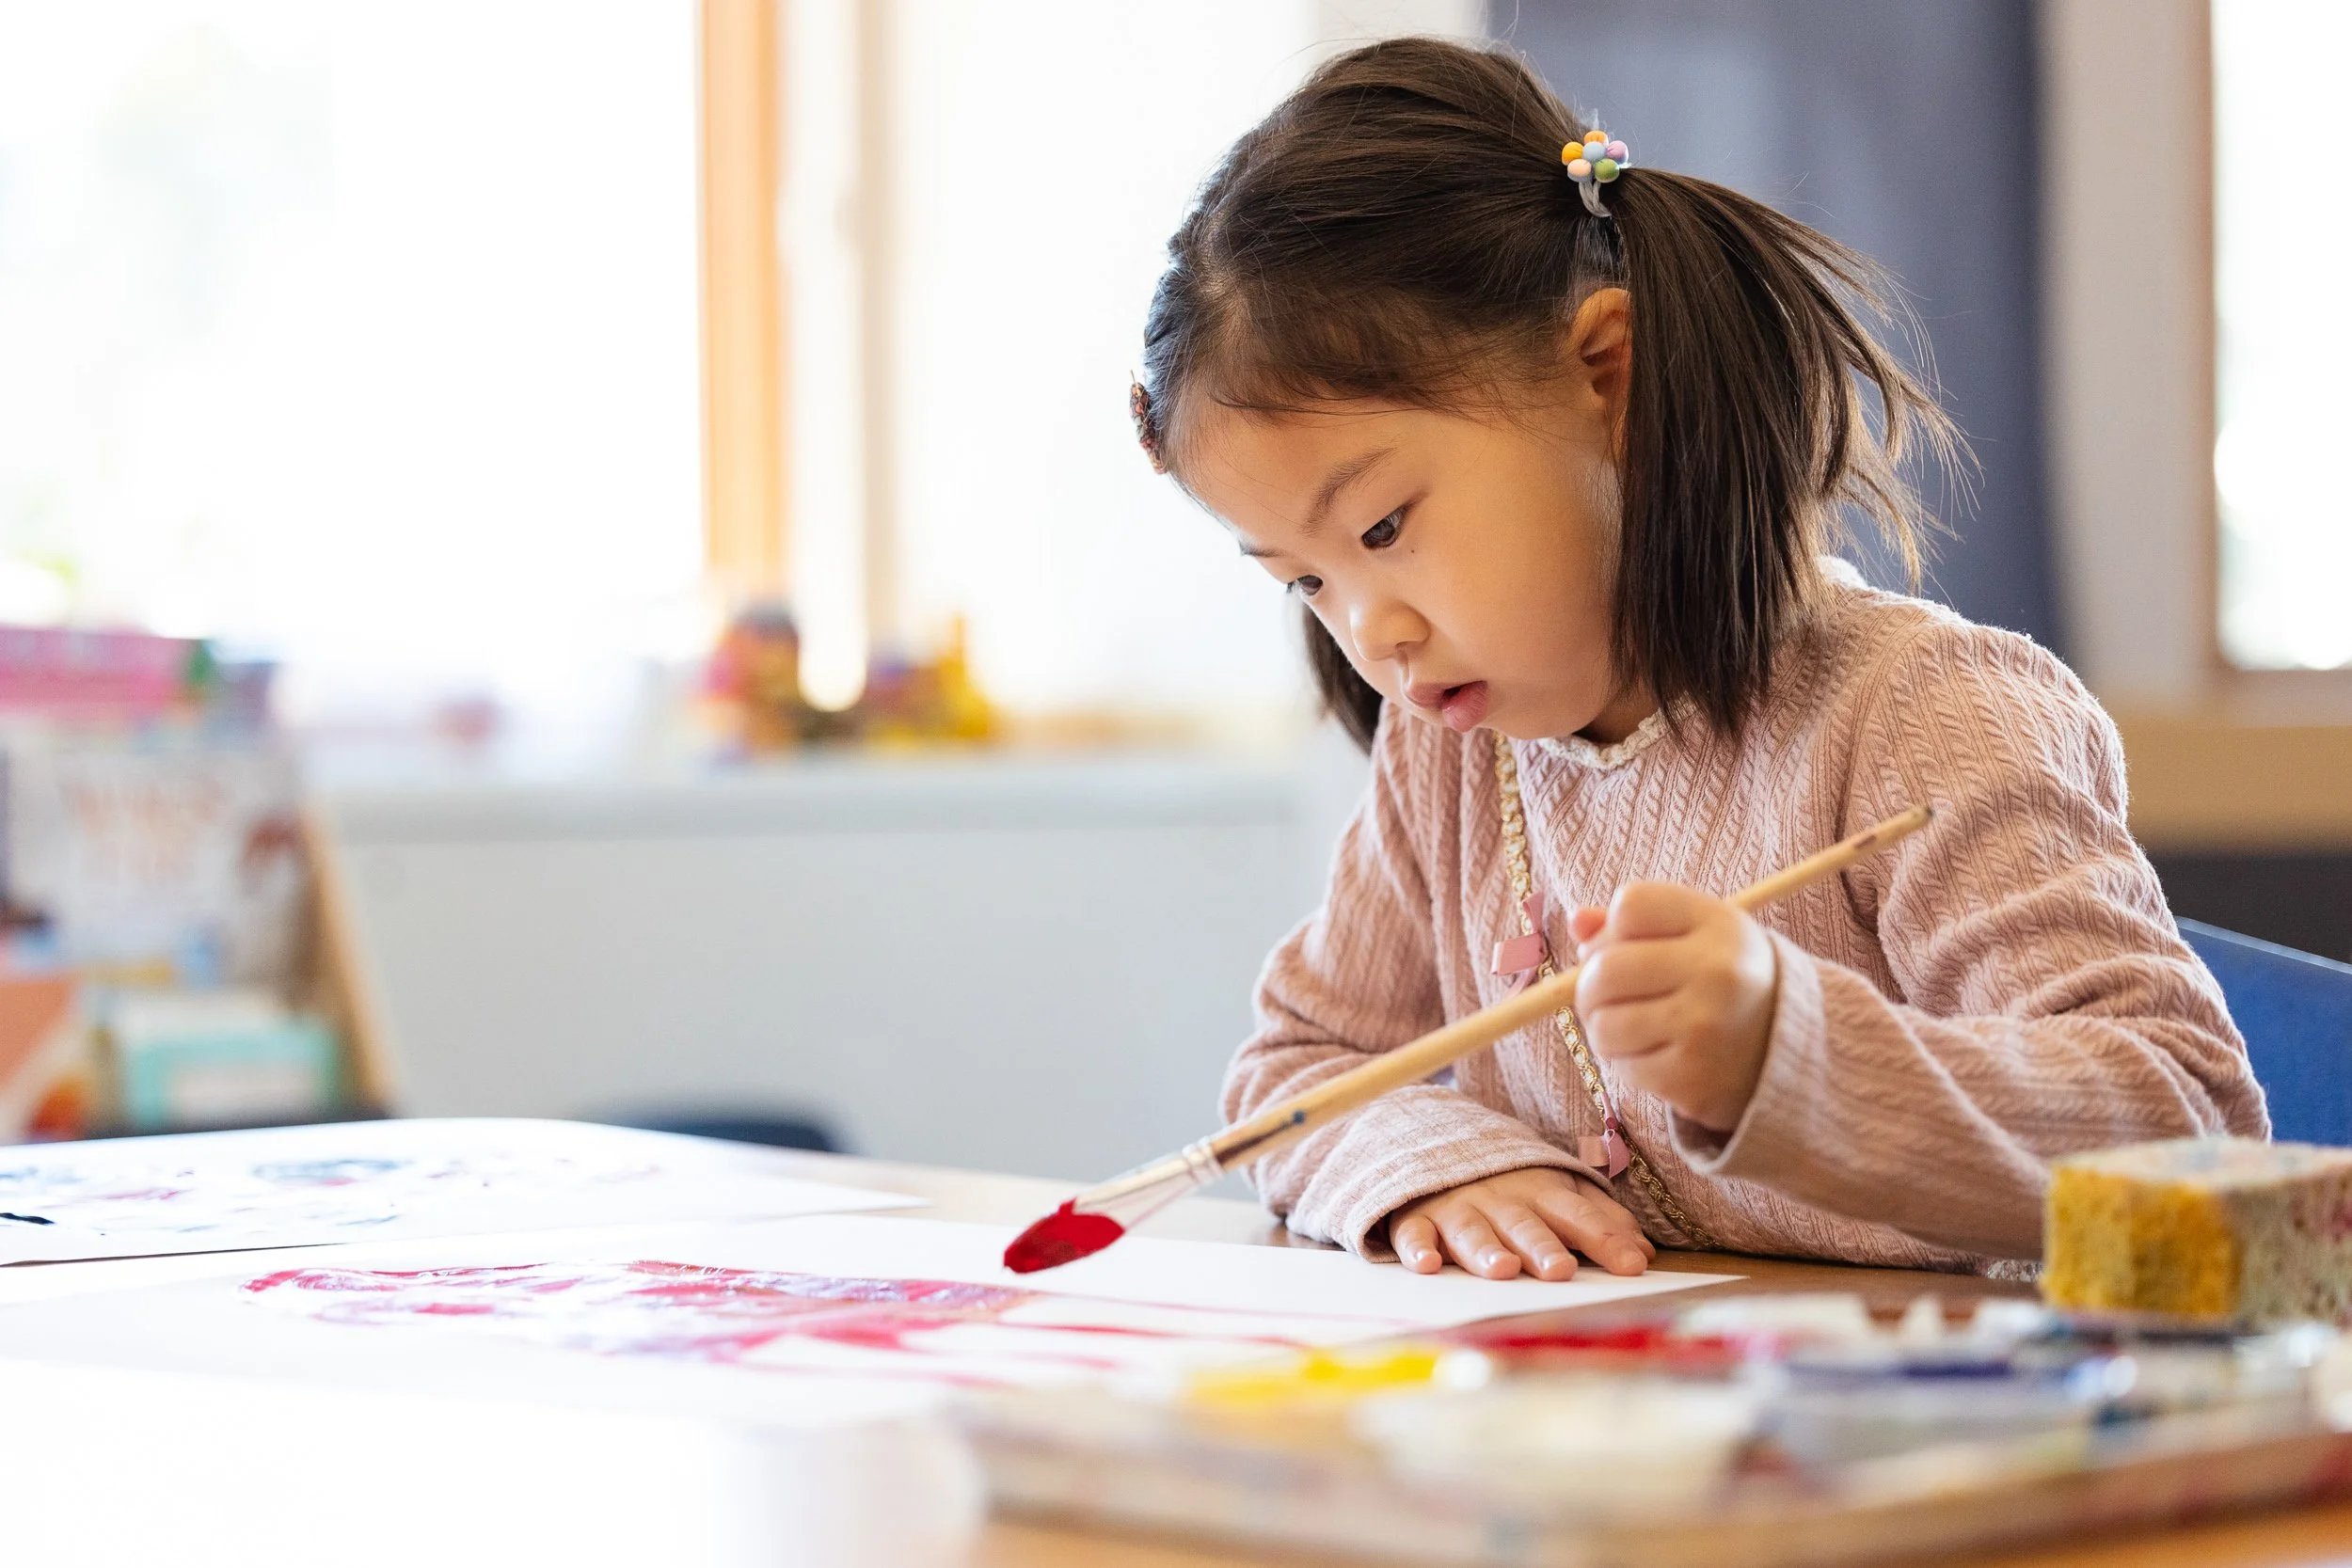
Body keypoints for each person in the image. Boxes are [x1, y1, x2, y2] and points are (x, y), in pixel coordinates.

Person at [1127, 38, 2265, 1281]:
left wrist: (1793, 1052)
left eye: (1385, 528)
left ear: (1603, 376)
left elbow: (2185, 1125)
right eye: (1306, 579)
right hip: (1628, 1427)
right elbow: (1299, 1068)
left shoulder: (1925, 715)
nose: (1370, 631)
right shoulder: (1449, 756)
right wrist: (1436, 1157)